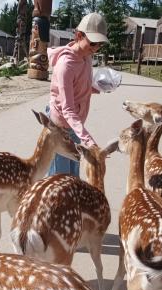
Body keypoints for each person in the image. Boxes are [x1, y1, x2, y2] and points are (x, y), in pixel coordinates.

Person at [46, 12, 109, 177]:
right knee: (58, 180)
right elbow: (67, 109)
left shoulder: (87, 56)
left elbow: (82, 87)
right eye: (93, 43)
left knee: (73, 177)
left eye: (100, 44)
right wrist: (89, 142)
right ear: (79, 35)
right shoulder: (65, 66)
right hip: (59, 126)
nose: (95, 48)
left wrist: (100, 88)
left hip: (75, 125)